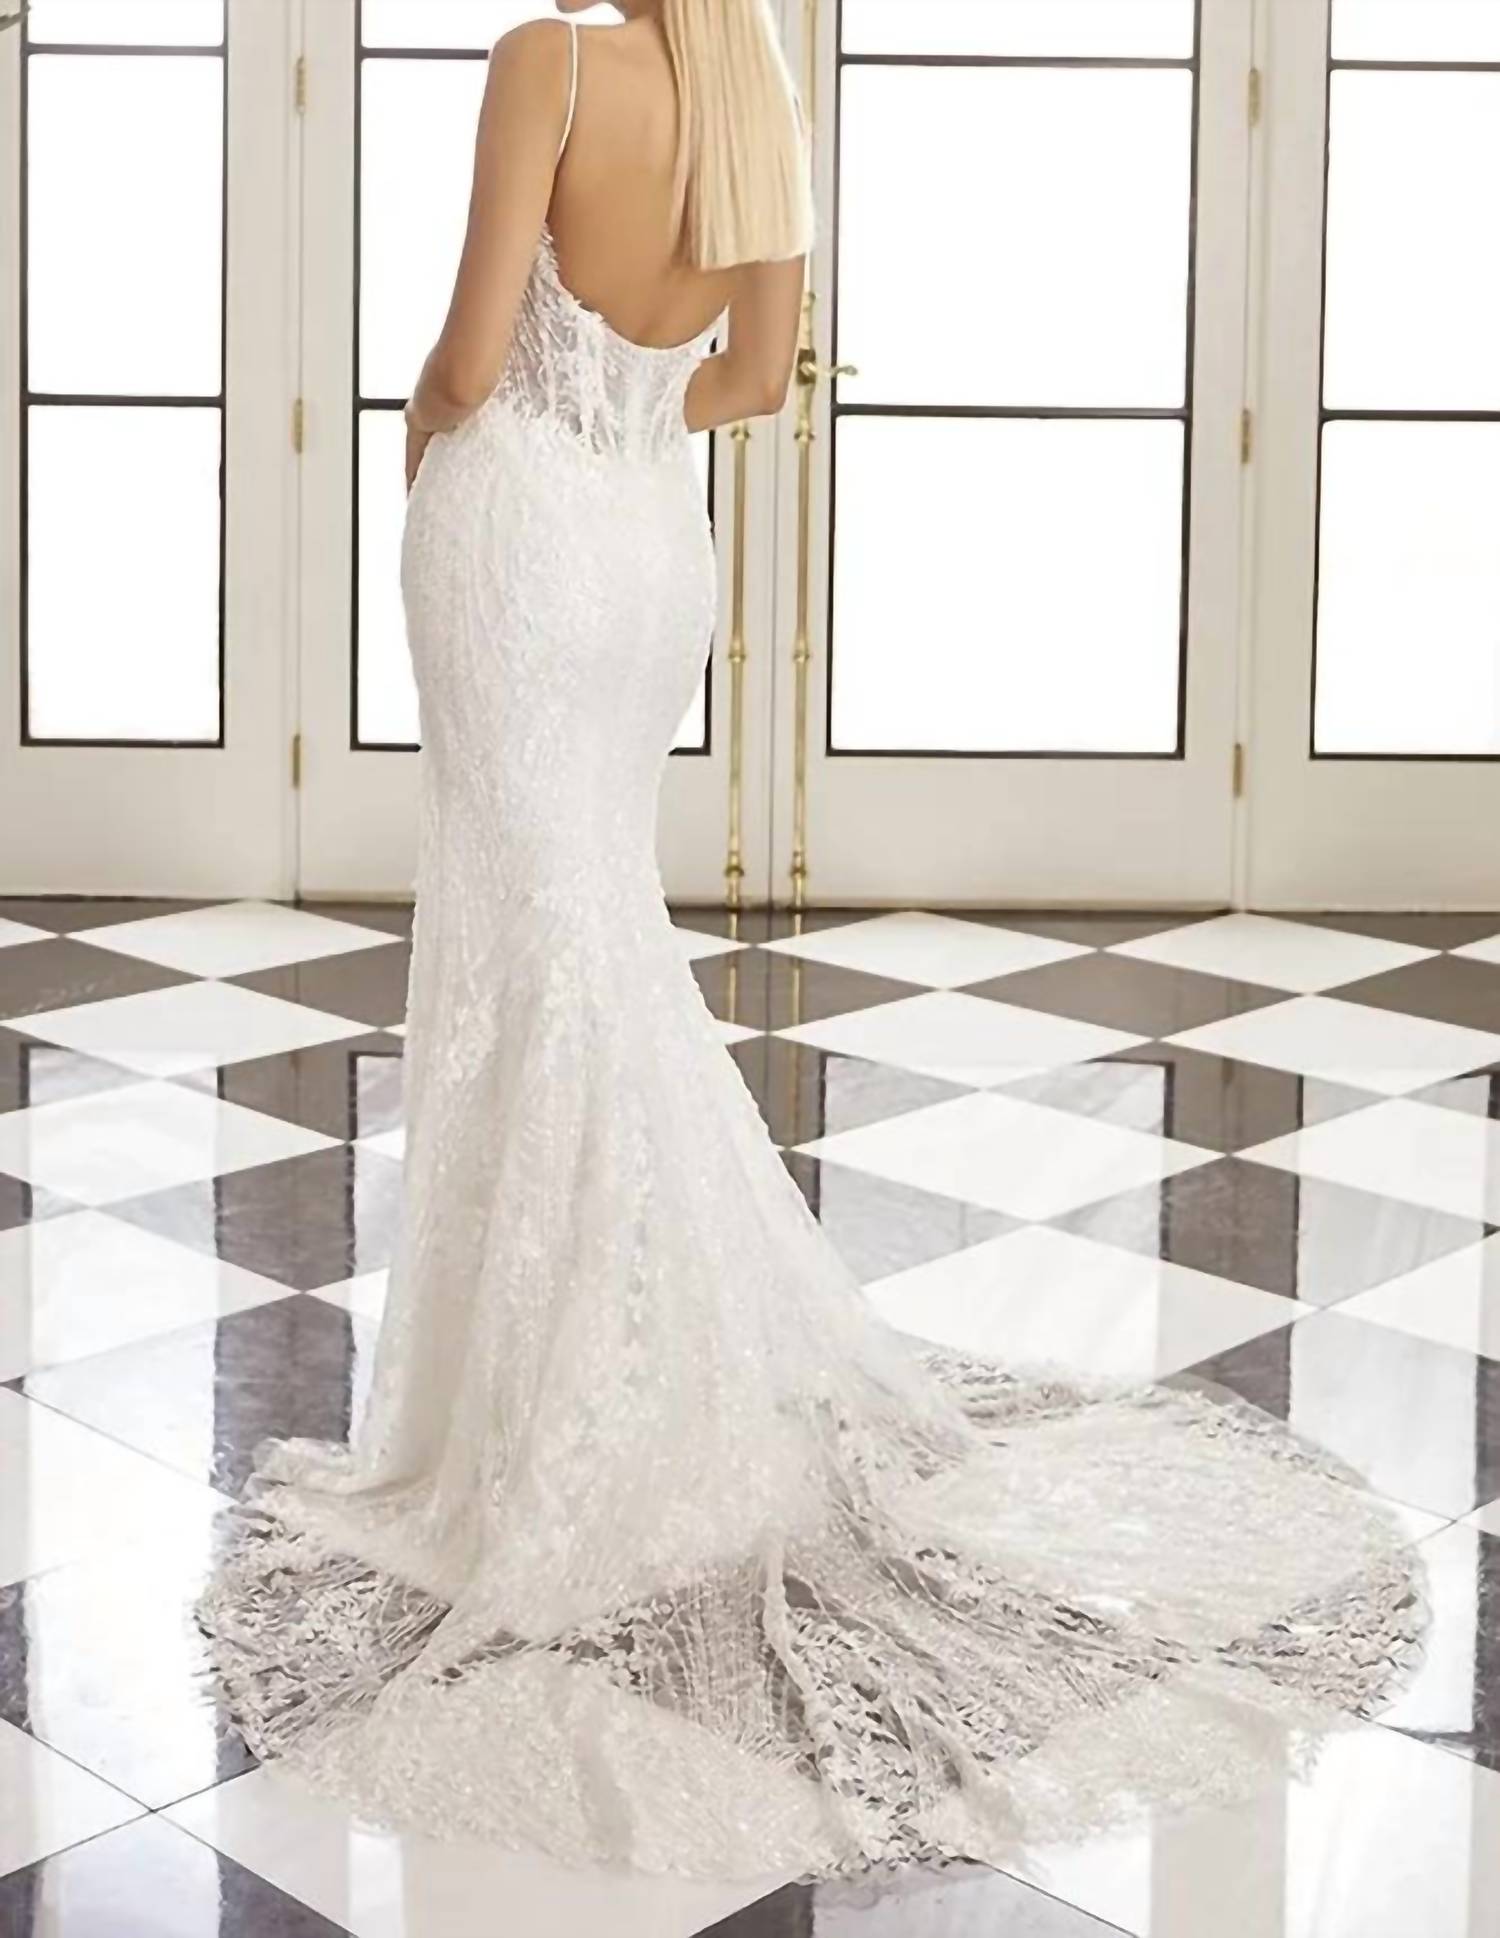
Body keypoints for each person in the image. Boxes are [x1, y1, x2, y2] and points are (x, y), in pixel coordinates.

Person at [198, 0, 1423, 1887]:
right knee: (593, 935)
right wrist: (630, 419)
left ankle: (541, 1410)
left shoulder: (547, 60)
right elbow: (755, 382)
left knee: (539, 953)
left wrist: (442, 431)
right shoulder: (756, 98)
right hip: (646, 553)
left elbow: (465, 351)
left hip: (519, 530)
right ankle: (622, 1358)